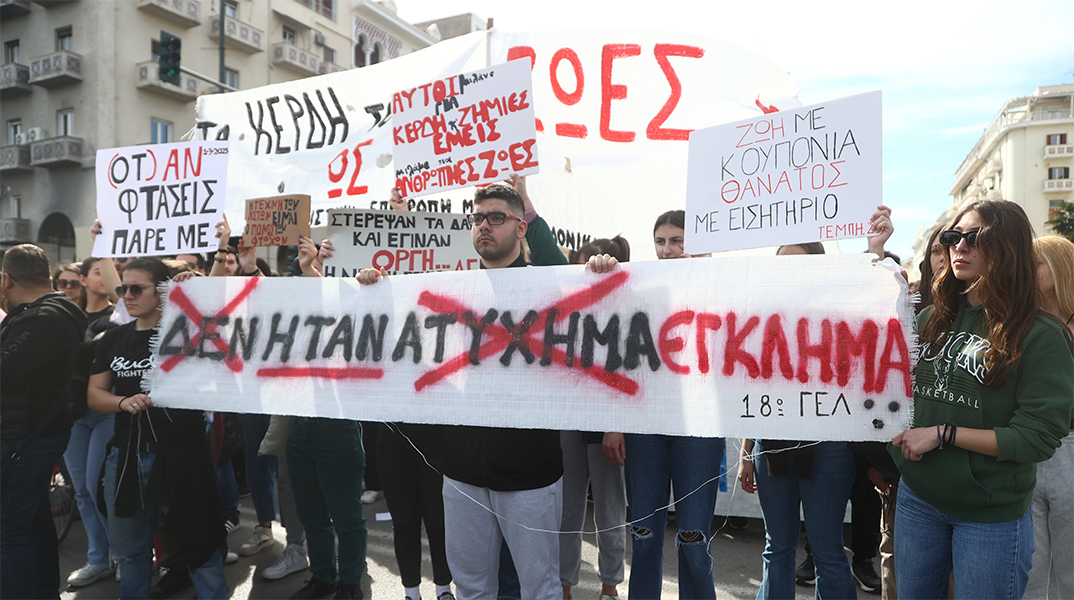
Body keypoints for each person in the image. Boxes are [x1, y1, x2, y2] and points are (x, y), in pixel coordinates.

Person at [357, 182, 565, 600]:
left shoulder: (548, 285)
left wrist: (599, 267)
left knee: (539, 590)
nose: (484, 225)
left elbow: (588, 296)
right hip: (462, 474)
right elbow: (401, 323)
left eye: (496, 217)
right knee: (471, 589)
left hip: (529, 473)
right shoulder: (455, 289)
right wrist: (376, 288)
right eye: (477, 217)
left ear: (521, 227)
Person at [890, 200, 1073, 599]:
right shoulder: (929, 319)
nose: (959, 246)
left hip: (990, 515)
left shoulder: (1042, 335)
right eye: (953, 236)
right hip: (917, 496)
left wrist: (943, 434)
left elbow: (1037, 438)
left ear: (1008, 246)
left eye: (975, 238)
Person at [601, 209, 724, 600]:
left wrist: (708, 274)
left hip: (699, 430)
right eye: (660, 241)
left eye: (676, 240)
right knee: (644, 534)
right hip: (645, 428)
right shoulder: (638, 289)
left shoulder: (720, 286)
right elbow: (621, 359)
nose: (667, 249)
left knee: (693, 538)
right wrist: (614, 422)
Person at [88, 257, 228, 600]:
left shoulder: (188, 333)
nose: (128, 295)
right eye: (123, 288)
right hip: (127, 457)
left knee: (201, 547)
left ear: (163, 291)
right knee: (131, 552)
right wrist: (122, 402)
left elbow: (219, 313)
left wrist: (196, 283)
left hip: (182, 455)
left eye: (137, 289)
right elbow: (95, 394)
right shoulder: (112, 339)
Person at [1, 244, 87, 599]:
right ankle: (43, 591)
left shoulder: (43, 318)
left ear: (7, 279)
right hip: (32, 433)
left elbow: (6, 371)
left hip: (27, 437)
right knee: (33, 522)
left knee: (9, 530)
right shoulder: (48, 312)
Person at [560, 237, 630, 600]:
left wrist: (615, 424)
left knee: (609, 511)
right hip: (569, 423)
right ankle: (563, 588)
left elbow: (630, 372)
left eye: (593, 268)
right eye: (580, 269)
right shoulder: (567, 309)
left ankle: (609, 589)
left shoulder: (625, 309)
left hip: (607, 427)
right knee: (566, 512)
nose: (585, 277)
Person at [63, 257, 122, 587]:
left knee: (102, 487)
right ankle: (98, 557)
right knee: (82, 490)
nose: (105, 277)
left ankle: (122, 553)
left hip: (106, 409)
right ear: (83, 279)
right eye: (97, 271)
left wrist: (104, 251)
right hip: (74, 413)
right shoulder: (68, 316)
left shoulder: (120, 314)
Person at [1025, 235, 1074, 600]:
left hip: (1069, 447)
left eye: (1037, 263)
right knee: (1030, 570)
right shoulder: (1024, 325)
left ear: (1062, 269)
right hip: (1028, 449)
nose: (1028, 270)